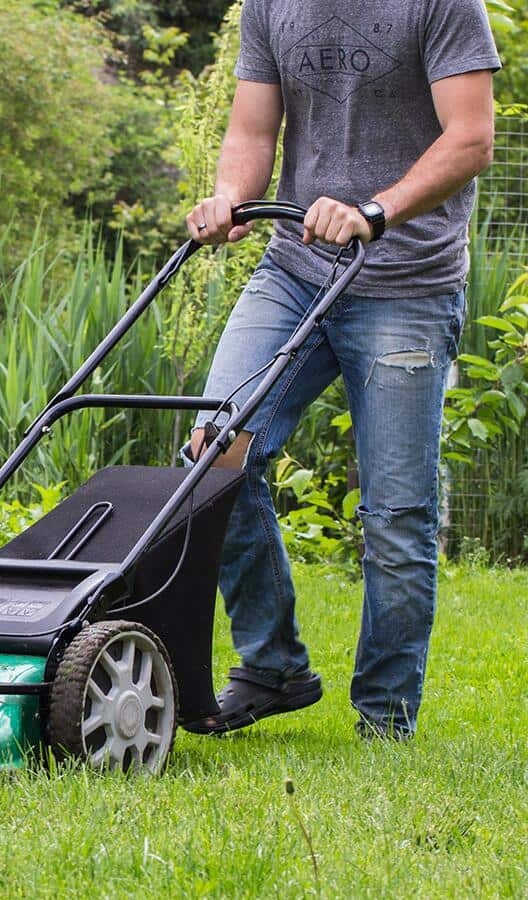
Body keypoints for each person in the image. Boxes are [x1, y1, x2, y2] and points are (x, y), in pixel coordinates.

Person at [181, 0, 499, 740]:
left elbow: (472, 139)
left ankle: (385, 716)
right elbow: (253, 131)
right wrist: (231, 195)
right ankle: (273, 666)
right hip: (294, 268)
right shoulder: (271, 4)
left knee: (395, 513)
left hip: (408, 285)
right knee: (210, 456)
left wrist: (376, 210)